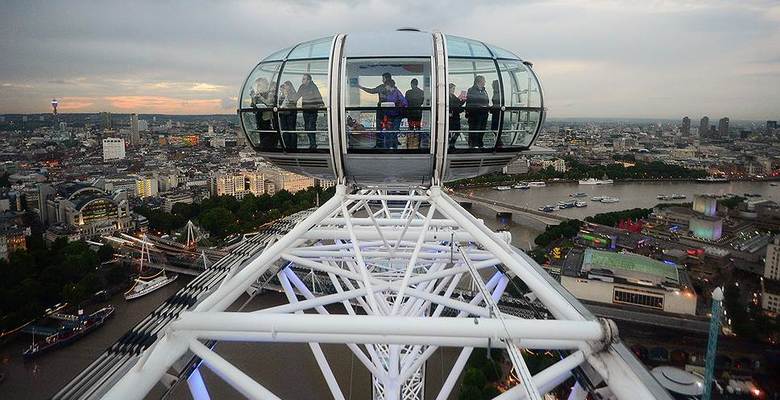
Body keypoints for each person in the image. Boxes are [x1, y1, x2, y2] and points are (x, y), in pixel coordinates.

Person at [358, 72, 392, 148]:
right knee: (389, 127)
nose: (382, 80)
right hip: (390, 110)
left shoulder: (382, 87)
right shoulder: (393, 88)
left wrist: (362, 87)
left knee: (379, 127)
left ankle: (379, 144)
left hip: (381, 109)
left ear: (386, 78)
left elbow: (372, 91)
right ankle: (389, 144)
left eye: (383, 78)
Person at [249, 77, 278, 150]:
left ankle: (268, 145)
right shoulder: (258, 95)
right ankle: (263, 144)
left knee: (267, 131)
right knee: (261, 131)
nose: (258, 87)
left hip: (267, 117)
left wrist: (260, 97)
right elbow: (252, 106)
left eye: (259, 85)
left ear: (264, 85)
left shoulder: (268, 93)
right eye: (257, 85)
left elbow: (269, 103)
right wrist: (253, 98)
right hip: (259, 116)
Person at [297, 73, 324, 150]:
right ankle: (312, 143)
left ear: (309, 80)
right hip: (305, 110)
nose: (302, 80)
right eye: (303, 79)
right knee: (307, 127)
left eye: (304, 79)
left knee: (311, 126)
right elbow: (297, 96)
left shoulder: (313, 87)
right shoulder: (302, 87)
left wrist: (321, 104)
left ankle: (313, 144)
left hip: (312, 110)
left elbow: (318, 96)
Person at [380, 79, 407, 149]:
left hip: (397, 116)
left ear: (389, 85)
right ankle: (389, 147)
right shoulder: (388, 93)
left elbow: (405, 103)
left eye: (386, 86)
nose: (385, 87)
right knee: (389, 132)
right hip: (389, 115)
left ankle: (394, 148)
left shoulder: (397, 92)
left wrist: (397, 105)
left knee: (394, 132)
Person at [465, 75, 489, 148]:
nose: (485, 82)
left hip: (484, 114)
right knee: (475, 129)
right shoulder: (471, 90)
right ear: (479, 81)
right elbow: (470, 101)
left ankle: (480, 144)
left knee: (482, 129)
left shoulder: (484, 91)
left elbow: (486, 101)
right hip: (475, 115)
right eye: (484, 80)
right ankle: (473, 144)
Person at [405, 78, 425, 149]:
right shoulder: (422, 92)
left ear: (411, 84)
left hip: (410, 112)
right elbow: (422, 102)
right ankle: (418, 144)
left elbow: (406, 102)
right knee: (418, 127)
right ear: (417, 84)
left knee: (410, 128)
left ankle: (410, 143)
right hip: (418, 112)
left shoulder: (408, 92)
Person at [278, 80, 298, 151]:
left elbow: (293, 102)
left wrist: (286, 96)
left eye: (285, 85)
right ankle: (286, 145)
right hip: (283, 114)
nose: (285, 87)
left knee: (291, 129)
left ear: (289, 86)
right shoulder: (283, 94)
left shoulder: (293, 93)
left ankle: (293, 146)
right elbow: (279, 103)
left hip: (290, 114)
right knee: (285, 130)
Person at [448, 83, 465, 149]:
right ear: (448, 89)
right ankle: (450, 144)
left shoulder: (453, 96)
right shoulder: (446, 97)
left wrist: (463, 100)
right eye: (452, 89)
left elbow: (458, 104)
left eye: (454, 89)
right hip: (450, 118)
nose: (453, 90)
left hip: (455, 117)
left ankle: (452, 143)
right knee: (449, 131)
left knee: (457, 131)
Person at [491, 80, 502, 147]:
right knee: (495, 128)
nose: (491, 85)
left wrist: (492, 108)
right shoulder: (497, 92)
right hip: (497, 113)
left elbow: (497, 104)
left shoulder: (497, 93)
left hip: (497, 113)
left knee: (495, 128)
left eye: (492, 84)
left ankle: (499, 143)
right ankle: (498, 143)